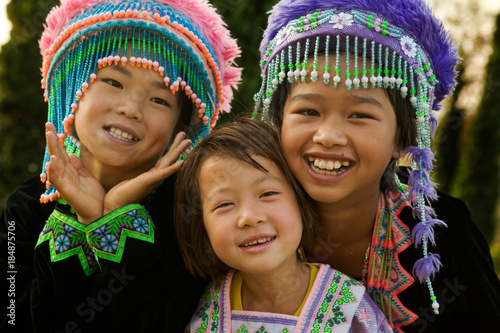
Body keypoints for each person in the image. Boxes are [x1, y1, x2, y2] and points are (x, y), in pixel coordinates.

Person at [252, 0, 500, 332]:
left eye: (360, 115)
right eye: (308, 111)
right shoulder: (245, 218)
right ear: (277, 122)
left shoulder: (447, 240)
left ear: (401, 140)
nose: (328, 136)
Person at [0, 0, 240, 331]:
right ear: (74, 89)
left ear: (180, 130)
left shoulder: (189, 216)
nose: (130, 109)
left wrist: (114, 217)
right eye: (113, 82)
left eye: (159, 99)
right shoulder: (24, 208)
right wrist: (78, 223)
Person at [175, 117, 392, 332]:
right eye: (224, 204)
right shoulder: (209, 308)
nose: (249, 217)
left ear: (301, 202)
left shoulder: (347, 306)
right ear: (201, 227)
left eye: (268, 193)